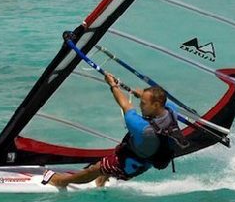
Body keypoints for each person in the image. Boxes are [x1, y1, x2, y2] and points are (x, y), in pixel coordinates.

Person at [42, 72, 185, 189]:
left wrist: (112, 85)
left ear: (156, 104)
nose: (140, 105)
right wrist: (141, 93)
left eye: (143, 103)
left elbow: (125, 105)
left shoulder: (142, 128)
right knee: (115, 157)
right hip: (147, 158)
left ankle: (62, 182)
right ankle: (102, 181)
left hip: (129, 163)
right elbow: (157, 96)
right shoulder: (171, 110)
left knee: (95, 169)